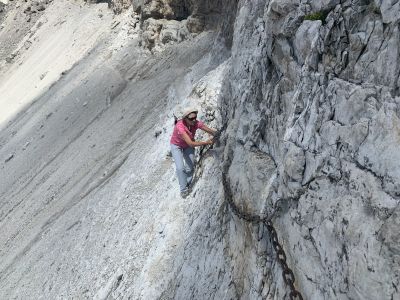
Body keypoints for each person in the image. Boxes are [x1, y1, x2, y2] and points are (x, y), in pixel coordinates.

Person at [170, 107, 217, 198]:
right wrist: (206, 142)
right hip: (177, 146)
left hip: (187, 145)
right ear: (185, 119)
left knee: (190, 166)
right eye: (191, 118)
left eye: (195, 117)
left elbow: (206, 129)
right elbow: (191, 144)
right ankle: (183, 190)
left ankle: (186, 182)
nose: (194, 120)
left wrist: (216, 134)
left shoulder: (195, 123)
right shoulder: (180, 127)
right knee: (180, 168)